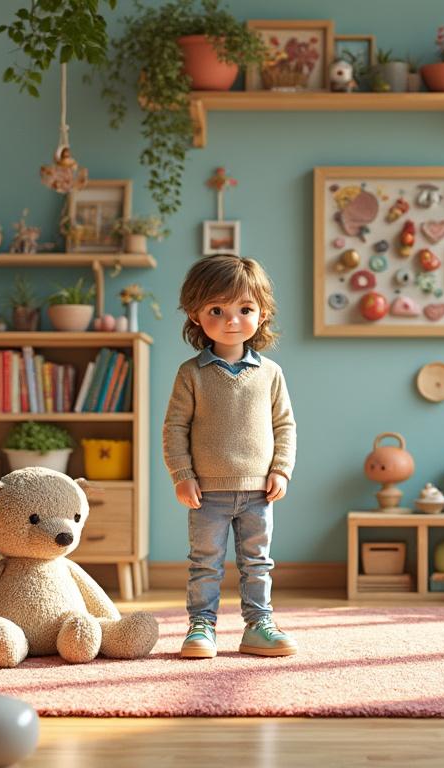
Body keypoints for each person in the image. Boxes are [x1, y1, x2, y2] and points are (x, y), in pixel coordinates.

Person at [163, 255, 297, 659]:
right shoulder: (191, 373)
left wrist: (281, 470)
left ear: (262, 313)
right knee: (205, 564)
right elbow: (175, 427)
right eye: (217, 310)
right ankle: (201, 627)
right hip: (207, 493)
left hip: (258, 492)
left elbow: (285, 426)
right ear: (195, 315)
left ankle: (259, 625)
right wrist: (182, 474)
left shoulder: (271, 373)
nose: (232, 320)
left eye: (245, 309)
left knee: (258, 563)